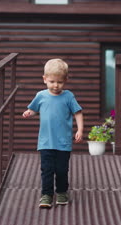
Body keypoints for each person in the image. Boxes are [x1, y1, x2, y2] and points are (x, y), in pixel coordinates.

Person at [22, 58, 84, 208]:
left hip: (63, 142)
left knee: (62, 169)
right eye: (52, 81)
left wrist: (80, 129)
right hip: (45, 142)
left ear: (66, 80)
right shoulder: (41, 95)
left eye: (60, 82)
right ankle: (46, 195)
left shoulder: (68, 96)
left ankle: (62, 192)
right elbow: (34, 109)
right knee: (47, 169)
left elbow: (78, 113)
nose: (55, 85)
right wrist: (29, 113)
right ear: (44, 79)